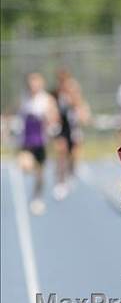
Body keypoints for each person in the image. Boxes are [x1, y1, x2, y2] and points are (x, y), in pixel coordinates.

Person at [18, 72, 59, 215]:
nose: (32, 86)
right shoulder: (24, 99)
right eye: (30, 84)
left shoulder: (46, 100)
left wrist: (50, 120)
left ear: (40, 84)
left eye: (35, 83)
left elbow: (54, 117)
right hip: (26, 141)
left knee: (40, 174)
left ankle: (38, 197)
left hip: (41, 141)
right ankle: (31, 171)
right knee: (25, 166)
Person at [52, 69, 90, 200]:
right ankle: (60, 181)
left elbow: (80, 106)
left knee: (74, 153)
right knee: (61, 152)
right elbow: (53, 109)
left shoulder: (73, 90)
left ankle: (72, 172)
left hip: (73, 127)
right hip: (62, 127)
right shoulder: (56, 93)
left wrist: (74, 101)